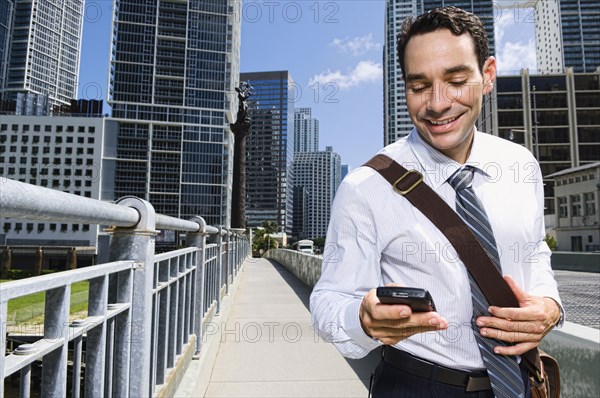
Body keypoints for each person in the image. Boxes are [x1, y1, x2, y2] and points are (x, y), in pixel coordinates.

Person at [310, 6, 563, 398]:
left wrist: (550, 305)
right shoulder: (365, 186)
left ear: (488, 75)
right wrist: (362, 320)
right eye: (419, 86)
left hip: (521, 380)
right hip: (417, 386)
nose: (438, 103)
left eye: (457, 80)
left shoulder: (522, 165)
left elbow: (533, 254)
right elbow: (327, 301)